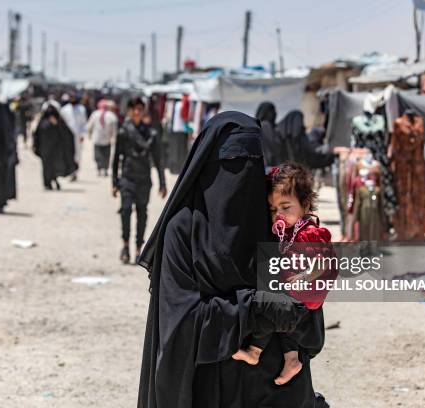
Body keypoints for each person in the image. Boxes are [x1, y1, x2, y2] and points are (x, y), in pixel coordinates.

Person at [137, 111, 328, 408]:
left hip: (275, 386)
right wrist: (254, 307)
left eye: (250, 166)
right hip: (209, 389)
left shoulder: (275, 225)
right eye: (230, 165)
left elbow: (306, 308)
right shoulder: (182, 231)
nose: (239, 177)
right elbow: (180, 323)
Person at [232, 162, 337, 386]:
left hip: (302, 297)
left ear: (305, 204)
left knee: (267, 312)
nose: (278, 214)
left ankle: (254, 350)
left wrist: (305, 276)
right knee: (284, 328)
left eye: (285, 207)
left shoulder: (309, 233)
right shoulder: (289, 231)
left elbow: (326, 263)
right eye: (273, 209)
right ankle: (291, 361)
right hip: (293, 295)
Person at [112, 97, 167, 264]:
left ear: (143, 111)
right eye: (133, 109)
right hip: (127, 179)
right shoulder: (123, 132)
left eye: (139, 109)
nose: (136, 112)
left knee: (142, 214)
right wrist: (114, 182)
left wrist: (162, 183)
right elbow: (116, 158)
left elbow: (158, 160)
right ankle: (125, 245)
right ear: (129, 111)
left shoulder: (151, 134)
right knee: (126, 211)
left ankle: (138, 249)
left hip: (144, 180)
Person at [33, 104, 77, 190]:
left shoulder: (59, 122)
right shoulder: (43, 123)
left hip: (56, 150)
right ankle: (48, 183)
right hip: (45, 150)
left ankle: (54, 181)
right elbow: (36, 136)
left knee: (54, 166)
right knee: (47, 167)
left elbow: (67, 135)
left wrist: (57, 124)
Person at [60, 94, 87, 181]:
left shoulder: (81, 109)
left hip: (77, 136)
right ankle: (70, 171)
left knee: (77, 155)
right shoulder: (64, 110)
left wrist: (82, 134)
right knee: (68, 154)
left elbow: (84, 123)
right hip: (67, 136)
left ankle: (75, 172)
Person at [87, 99, 118, 176]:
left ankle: (100, 168)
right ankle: (104, 168)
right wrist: (114, 137)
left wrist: (89, 134)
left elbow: (89, 126)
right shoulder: (112, 115)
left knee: (98, 155)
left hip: (98, 138)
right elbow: (115, 129)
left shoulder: (94, 114)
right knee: (106, 155)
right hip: (106, 139)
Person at [255, 101, 281, 167]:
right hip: (269, 163)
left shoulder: (260, 125)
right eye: (272, 111)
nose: (275, 113)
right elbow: (274, 146)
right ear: (265, 112)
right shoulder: (265, 125)